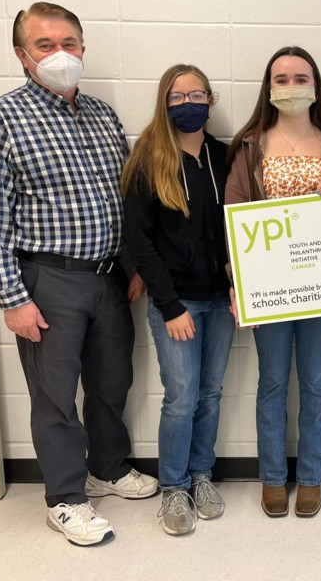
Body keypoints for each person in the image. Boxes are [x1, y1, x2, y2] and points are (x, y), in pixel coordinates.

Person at [0, 2, 156, 547]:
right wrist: (11, 297)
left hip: (108, 278)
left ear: (83, 47)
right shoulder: (0, 118)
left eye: (69, 42)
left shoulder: (101, 114)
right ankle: (67, 498)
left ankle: (109, 469)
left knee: (112, 382)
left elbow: (123, 198)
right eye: (45, 45)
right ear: (23, 55)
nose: (60, 54)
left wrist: (133, 267)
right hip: (47, 281)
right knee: (54, 396)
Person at [225, 46, 321, 518]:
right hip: (268, 288)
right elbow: (233, 219)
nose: (291, 86)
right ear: (269, 88)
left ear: (315, 86)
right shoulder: (250, 146)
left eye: (300, 77)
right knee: (270, 383)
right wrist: (237, 282)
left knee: (315, 383)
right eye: (281, 78)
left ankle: (310, 477)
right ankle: (271, 477)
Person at [121, 65, 235, 536]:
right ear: (164, 103)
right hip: (176, 304)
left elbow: (242, 229)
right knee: (182, 398)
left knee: (210, 393)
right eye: (177, 95)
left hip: (222, 300)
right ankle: (173, 486)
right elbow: (139, 241)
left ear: (211, 99)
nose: (188, 102)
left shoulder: (227, 158)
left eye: (197, 93)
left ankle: (202, 476)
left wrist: (243, 291)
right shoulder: (149, 160)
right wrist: (169, 306)